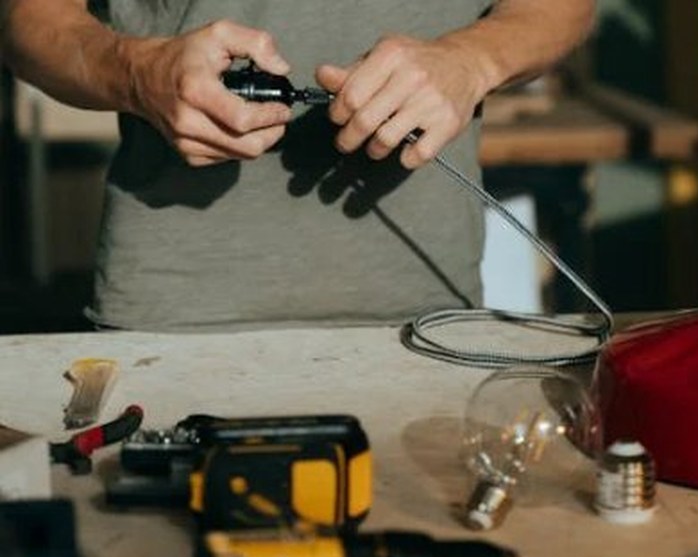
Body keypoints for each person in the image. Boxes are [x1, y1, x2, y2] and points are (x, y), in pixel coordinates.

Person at [0, 0, 595, 331]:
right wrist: (135, 72)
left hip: (425, 309)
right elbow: (28, 19)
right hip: (176, 316)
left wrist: (472, 61)